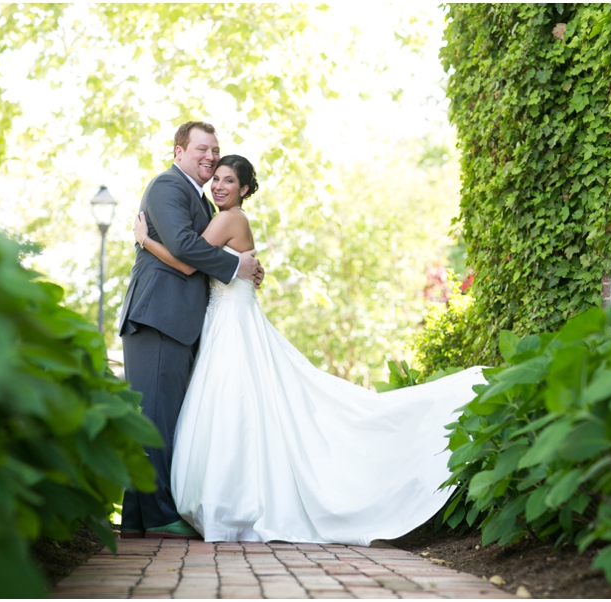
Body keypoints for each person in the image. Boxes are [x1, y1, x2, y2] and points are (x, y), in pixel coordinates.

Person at [132, 154, 488, 545]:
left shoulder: (228, 218)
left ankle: (229, 504)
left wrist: (146, 240)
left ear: (245, 190)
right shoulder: (225, 218)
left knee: (236, 403)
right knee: (248, 406)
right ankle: (228, 502)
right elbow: (214, 264)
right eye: (215, 178)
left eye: (228, 181)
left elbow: (187, 263)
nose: (218, 186)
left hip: (232, 322)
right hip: (226, 318)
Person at [117, 122, 264, 539]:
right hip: (159, 315)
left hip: (176, 321)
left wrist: (241, 263)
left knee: (156, 416)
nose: (210, 156)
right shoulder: (168, 186)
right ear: (178, 151)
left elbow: (196, 253)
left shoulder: (201, 201)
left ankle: (137, 517)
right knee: (156, 418)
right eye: (202, 149)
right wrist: (238, 266)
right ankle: (161, 514)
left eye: (215, 150)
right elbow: (184, 249)